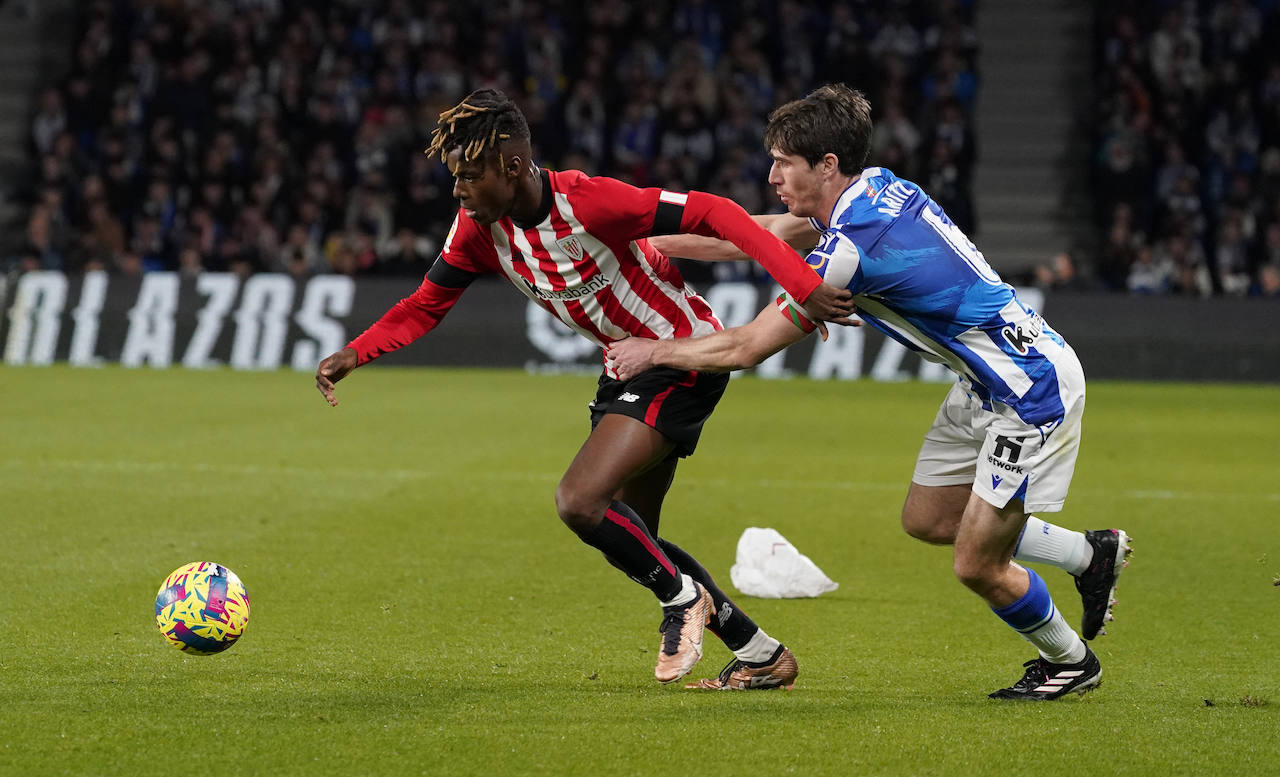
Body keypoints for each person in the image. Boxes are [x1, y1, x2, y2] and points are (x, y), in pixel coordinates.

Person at [314, 88, 857, 690]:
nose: (458, 190)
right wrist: (355, 352)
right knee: (635, 538)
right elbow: (426, 303)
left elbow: (719, 214)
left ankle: (683, 603)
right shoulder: (477, 229)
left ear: (512, 166)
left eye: (470, 175)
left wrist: (802, 285)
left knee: (580, 501)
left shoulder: (590, 202)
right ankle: (761, 654)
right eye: (455, 176)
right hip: (625, 368)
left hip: (681, 357)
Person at [607, 84, 1132, 700]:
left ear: (826, 165)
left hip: (1028, 390)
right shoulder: (874, 187)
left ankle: (1070, 663)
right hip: (984, 381)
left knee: (976, 563)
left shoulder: (850, 248)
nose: (771, 174)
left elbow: (745, 346)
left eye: (784, 162)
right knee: (929, 518)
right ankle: (1087, 555)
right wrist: (641, 240)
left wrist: (655, 350)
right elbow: (754, 233)